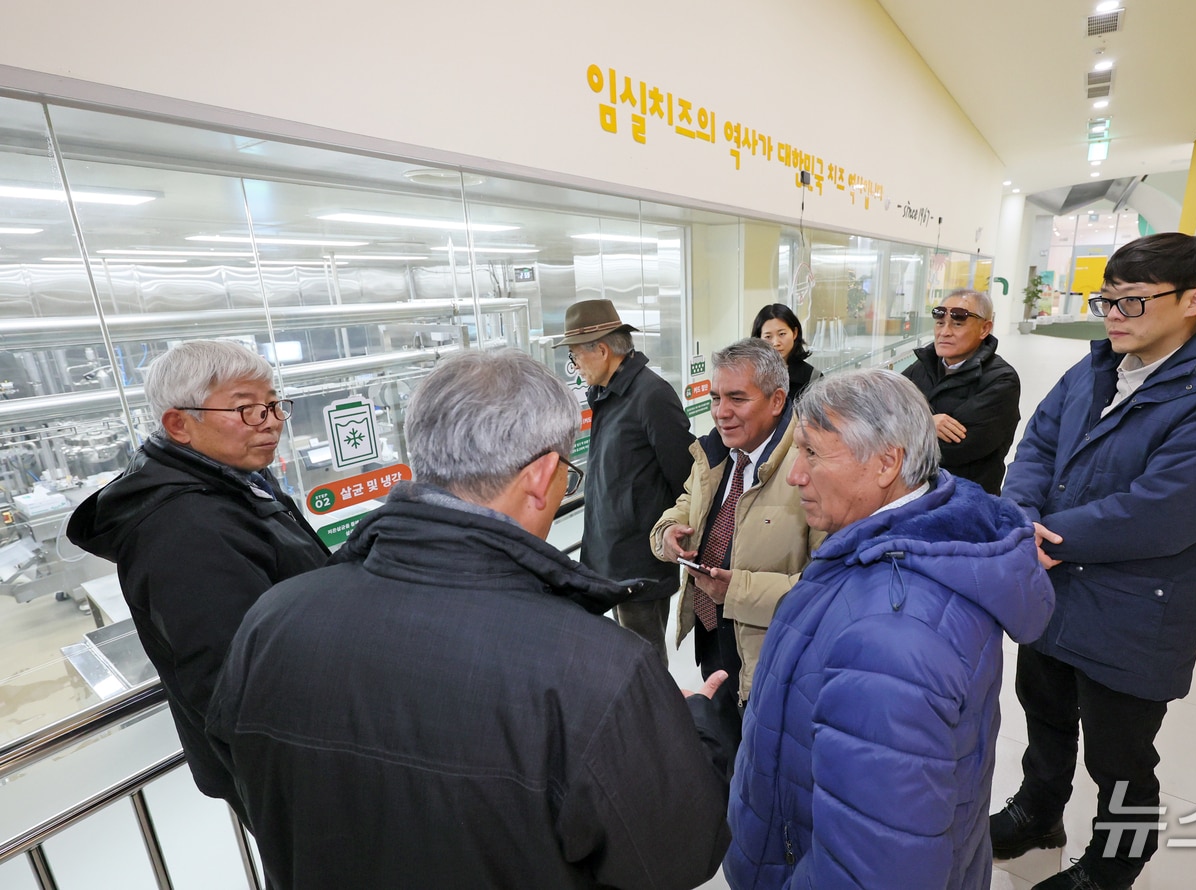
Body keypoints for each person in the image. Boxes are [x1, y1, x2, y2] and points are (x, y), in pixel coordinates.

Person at [208, 349, 736, 890]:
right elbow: (681, 854)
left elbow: (239, 764)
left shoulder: (271, 621)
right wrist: (697, 729)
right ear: (542, 477)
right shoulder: (598, 669)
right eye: (568, 474)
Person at [995, 233, 1196, 890]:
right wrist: (1020, 518)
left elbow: (1166, 510)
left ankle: (1114, 864)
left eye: (1131, 301)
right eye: (1105, 301)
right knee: (1043, 713)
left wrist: (1046, 538)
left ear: (1195, 300)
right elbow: (1037, 446)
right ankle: (1038, 812)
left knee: (1121, 758)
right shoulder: (1096, 366)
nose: (1113, 316)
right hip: (1050, 588)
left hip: (1136, 607)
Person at [726, 369, 1055, 890]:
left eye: (812, 453)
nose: (795, 475)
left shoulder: (891, 635)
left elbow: (874, 869)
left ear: (886, 463)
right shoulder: (894, 545)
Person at [67, 339, 329, 818]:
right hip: (296, 772)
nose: (271, 421)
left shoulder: (236, 480)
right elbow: (237, 684)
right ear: (179, 425)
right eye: (246, 409)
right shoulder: (184, 530)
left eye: (274, 404)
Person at [651, 338, 822, 732]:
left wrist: (738, 592)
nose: (721, 412)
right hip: (713, 638)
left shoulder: (809, 468)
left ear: (777, 401)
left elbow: (827, 588)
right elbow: (686, 503)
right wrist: (668, 532)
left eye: (737, 399)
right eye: (715, 398)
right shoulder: (714, 454)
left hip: (770, 660)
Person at [554, 299, 693, 663]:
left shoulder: (651, 395)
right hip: (610, 557)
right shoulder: (607, 394)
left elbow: (685, 476)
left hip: (639, 563)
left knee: (642, 662)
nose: (575, 365)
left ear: (601, 350)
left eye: (575, 356)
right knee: (621, 657)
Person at [901, 287, 1021, 494]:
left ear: (985, 329)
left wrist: (902, 429)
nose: (944, 332)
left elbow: (954, 449)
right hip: (913, 492)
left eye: (957, 324)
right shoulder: (922, 367)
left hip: (963, 498)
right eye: (940, 323)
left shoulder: (1001, 381)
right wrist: (926, 423)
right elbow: (878, 411)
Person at [751, 302, 820, 402]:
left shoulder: (813, 377)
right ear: (758, 339)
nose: (776, 343)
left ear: (794, 333)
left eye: (782, 334)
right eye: (768, 337)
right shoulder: (750, 374)